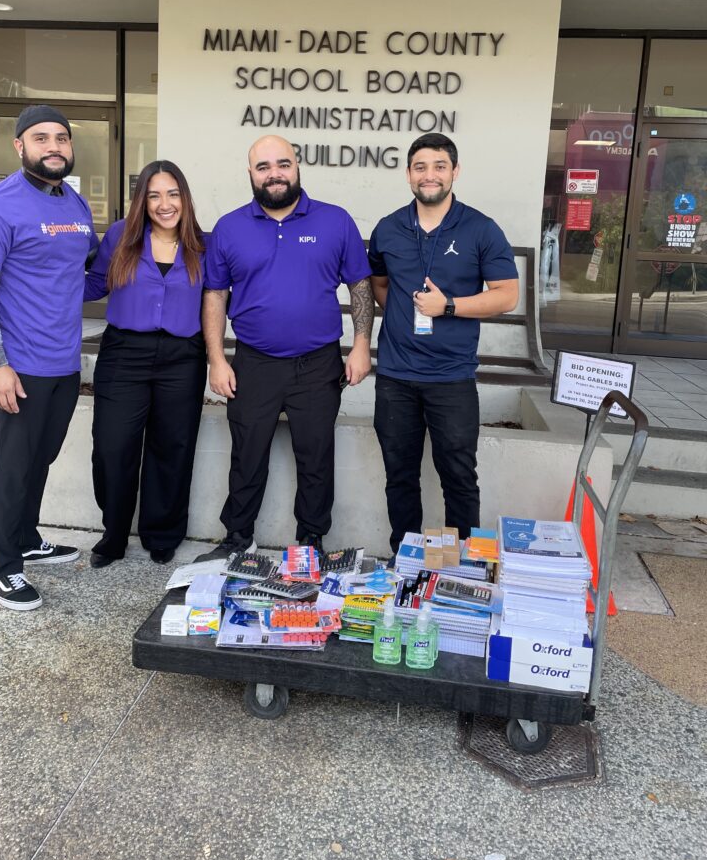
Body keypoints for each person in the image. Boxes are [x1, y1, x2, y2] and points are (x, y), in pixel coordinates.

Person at [198, 134, 374, 560]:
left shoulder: (336, 221)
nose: (274, 174)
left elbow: (360, 285)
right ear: (251, 174)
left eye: (282, 164)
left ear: (297, 167)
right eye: (263, 167)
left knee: (315, 456)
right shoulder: (230, 227)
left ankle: (311, 542)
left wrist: (362, 345)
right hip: (255, 362)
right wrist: (217, 359)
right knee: (247, 453)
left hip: (318, 363)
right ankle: (238, 538)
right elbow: (215, 295)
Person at [0, 104, 98, 611]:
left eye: (61, 137)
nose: (54, 146)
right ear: (20, 146)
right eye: (41, 138)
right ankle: (2, 565)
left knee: (40, 458)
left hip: (61, 362)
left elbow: (84, 272)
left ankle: (27, 537)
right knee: (12, 465)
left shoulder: (74, 205)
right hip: (14, 365)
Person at [368, 133, 519, 560]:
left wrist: (448, 306)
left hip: (451, 377)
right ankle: (406, 557)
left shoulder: (481, 229)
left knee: (457, 475)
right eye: (420, 167)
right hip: (396, 376)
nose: (429, 175)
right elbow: (380, 283)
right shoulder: (388, 228)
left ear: (455, 171)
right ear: (408, 174)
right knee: (399, 474)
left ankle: (459, 564)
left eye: (438, 166)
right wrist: (404, 313)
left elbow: (507, 294)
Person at [84, 160, 208, 567]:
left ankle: (162, 533)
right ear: (142, 201)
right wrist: (39, 278)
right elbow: (94, 282)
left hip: (182, 357)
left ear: (184, 198)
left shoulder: (202, 245)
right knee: (112, 447)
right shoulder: (121, 235)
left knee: (172, 446)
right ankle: (114, 534)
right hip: (124, 354)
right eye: (154, 195)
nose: (164, 203)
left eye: (172, 193)